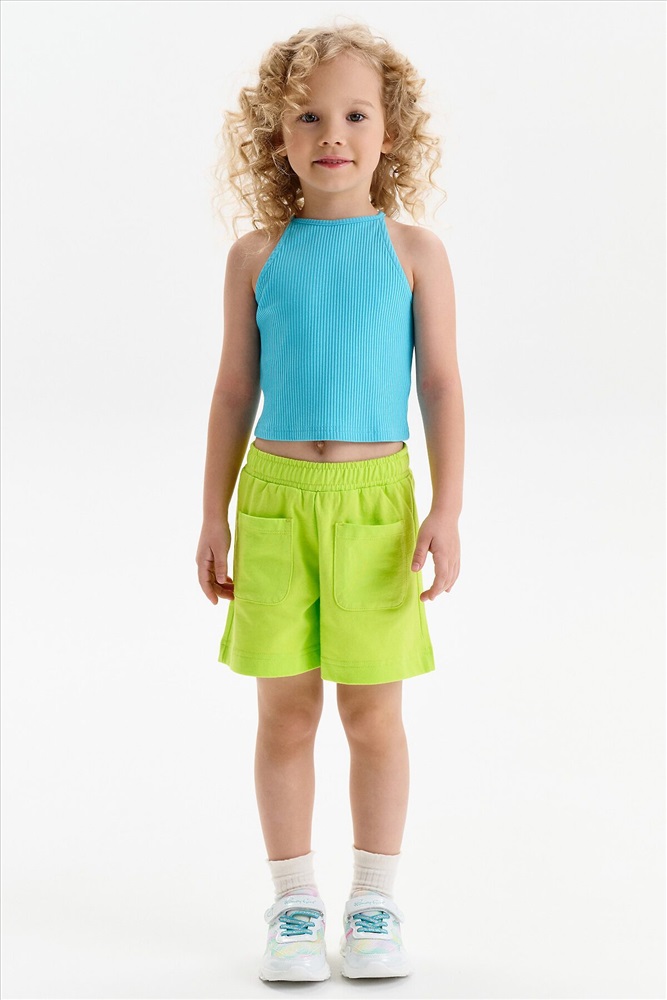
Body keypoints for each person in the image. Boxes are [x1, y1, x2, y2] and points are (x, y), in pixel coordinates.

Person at [196, 20, 463, 983]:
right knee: (284, 715)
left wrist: (446, 508)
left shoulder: (415, 252)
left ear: (391, 132)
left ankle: (375, 901)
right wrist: (212, 513)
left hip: (375, 511)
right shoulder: (256, 254)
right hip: (274, 503)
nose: (331, 135)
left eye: (355, 115)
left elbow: (440, 385)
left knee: (372, 716)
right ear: (276, 136)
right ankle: (295, 904)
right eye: (306, 117)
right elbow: (234, 390)